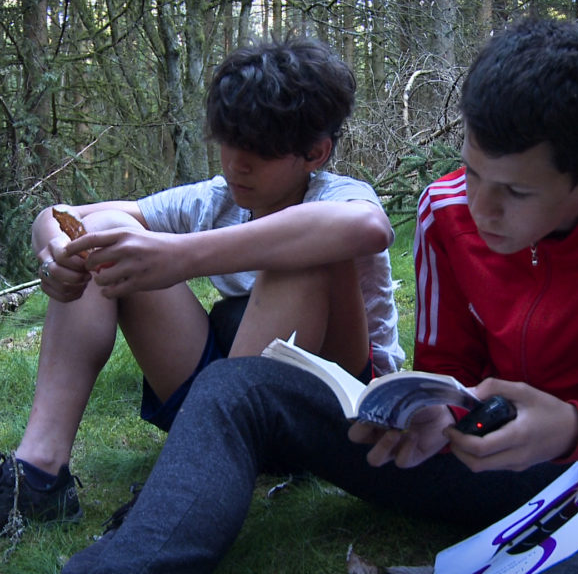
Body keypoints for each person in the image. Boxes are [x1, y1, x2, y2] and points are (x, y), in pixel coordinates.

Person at [60, 17, 578, 573]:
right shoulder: (447, 211)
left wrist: (574, 429)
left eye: (516, 191)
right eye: (473, 173)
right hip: (479, 457)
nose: (481, 208)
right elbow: (448, 369)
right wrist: (436, 411)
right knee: (235, 385)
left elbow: (362, 227)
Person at [0, 37, 405, 529]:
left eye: (261, 150)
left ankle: (194, 475)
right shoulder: (217, 199)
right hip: (229, 401)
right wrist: (53, 249)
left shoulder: (338, 195)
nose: (236, 164)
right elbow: (68, 215)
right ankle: (40, 474)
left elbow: (368, 228)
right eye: (230, 141)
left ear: (315, 153)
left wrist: (180, 256)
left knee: (303, 256)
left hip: (339, 411)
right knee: (103, 233)